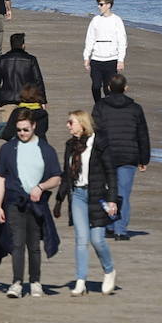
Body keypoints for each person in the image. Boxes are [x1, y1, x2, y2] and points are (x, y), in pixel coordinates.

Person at [0, 111, 61, 298]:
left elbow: (56, 178)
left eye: (26, 129)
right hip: (14, 202)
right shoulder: (8, 149)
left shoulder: (46, 150)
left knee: (34, 244)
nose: (22, 133)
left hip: (37, 204)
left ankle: (35, 282)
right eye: (19, 130)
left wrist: (41, 187)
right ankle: (16, 282)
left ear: (34, 127)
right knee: (16, 243)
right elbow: (1, 177)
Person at [58, 111, 119, 295]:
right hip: (77, 194)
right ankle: (81, 280)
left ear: (82, 124)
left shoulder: (98, 143)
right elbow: (66, 174)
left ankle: (109, 271)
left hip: (98, 195)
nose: (68, 126)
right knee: (81, 239)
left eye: (71, 122)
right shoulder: (70, 145)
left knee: (97, 239)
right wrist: (59, 199)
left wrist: (112, 200)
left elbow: (110, 172)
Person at [92, 73, 150, 241]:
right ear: (125, 88)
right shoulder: (135, 108)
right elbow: (142, 135)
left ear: (109, 88)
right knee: (123, 192)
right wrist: (143, 159)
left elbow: (94, 131)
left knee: (107, 190)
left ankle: (110, 225)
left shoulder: (100, 106)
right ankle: (120, 230)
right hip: (128, 155)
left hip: (106, 154)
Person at [83, 0, 127, 104]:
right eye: (98, 4)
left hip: (111, 60)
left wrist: (120, 60)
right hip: (96, 60)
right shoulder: (95, 20)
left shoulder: (117, 20)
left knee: (108, 89)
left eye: (101, 4)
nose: (99, 6)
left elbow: (122, 41)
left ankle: (109, 107)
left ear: (108, 5)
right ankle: (98, 105)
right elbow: (90, 39)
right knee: (96, 86)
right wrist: (86, 57)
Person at [0, 33, 46, 120]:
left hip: (7, 100)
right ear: (23, 45)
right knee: (25, 129)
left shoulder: (2, 60)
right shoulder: (31, 59)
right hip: (26, 100)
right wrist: (42, 100)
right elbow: (38, 80)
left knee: (8, 130)